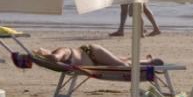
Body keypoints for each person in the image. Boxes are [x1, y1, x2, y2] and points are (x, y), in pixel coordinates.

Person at [33, 44, 163, 68]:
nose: (43, 50)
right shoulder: (58, 54)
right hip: (94, 60)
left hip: (93, 52)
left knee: (122, 65)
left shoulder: (60, 50)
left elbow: (55, 58)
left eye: (43, 51)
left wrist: (40, 58)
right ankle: (147, 60)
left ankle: (148, 62)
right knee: (122, 61)